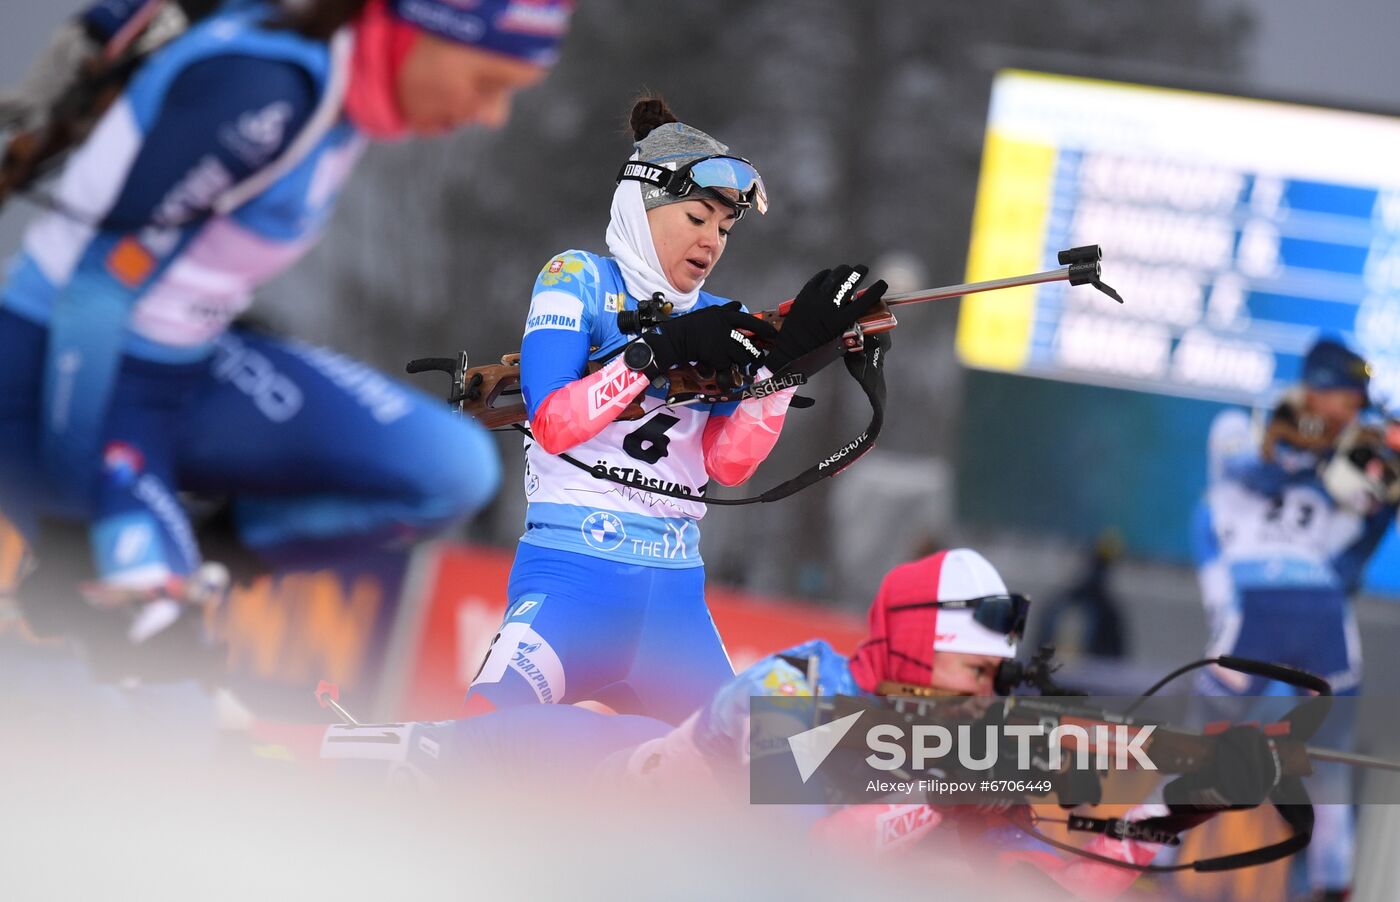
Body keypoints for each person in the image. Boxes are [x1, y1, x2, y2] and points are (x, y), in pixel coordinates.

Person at [0, 0, 572, 650]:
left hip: (184, 368)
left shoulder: (341, 92)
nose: (490, 115)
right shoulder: (270, 92)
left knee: (452, 468)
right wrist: (77, 523)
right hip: (61, 378)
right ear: (417, 30)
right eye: (488, 83)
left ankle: (186, 557)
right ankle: (130, 568)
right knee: (160, 677)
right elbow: (94, 294)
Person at [333, 549, 1279, 900]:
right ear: (910, 648)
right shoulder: (807, 680)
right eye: (966, 670)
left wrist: (1172, 803)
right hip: (544, 782)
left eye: (994, 680)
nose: (983, 696)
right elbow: (805, 835)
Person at [464, 95, 887, 723]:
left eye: (723, 228)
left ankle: (1001, 778)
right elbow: (553, 421)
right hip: (572, 579)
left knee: (762, 779)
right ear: (643, 205)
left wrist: (782, 370)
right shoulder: (577, 278)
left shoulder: (721, 315)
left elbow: (729, 464)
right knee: (480, 730)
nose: (711, 241)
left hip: (674, 599)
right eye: (696, 217)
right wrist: (656, 351)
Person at [1192, 336, 1390, 901]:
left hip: (1289, 609)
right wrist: (1304, 445)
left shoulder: (1349, 457)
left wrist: (1371, 477)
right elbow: (1245, 463)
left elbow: (1352, 542)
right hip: (1276, 610)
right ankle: (1141, 854)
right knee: (1200, 748)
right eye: (1349, 400)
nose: (1352, 413)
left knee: (1320, 766)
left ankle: (1330, 888)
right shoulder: (1251, 429)